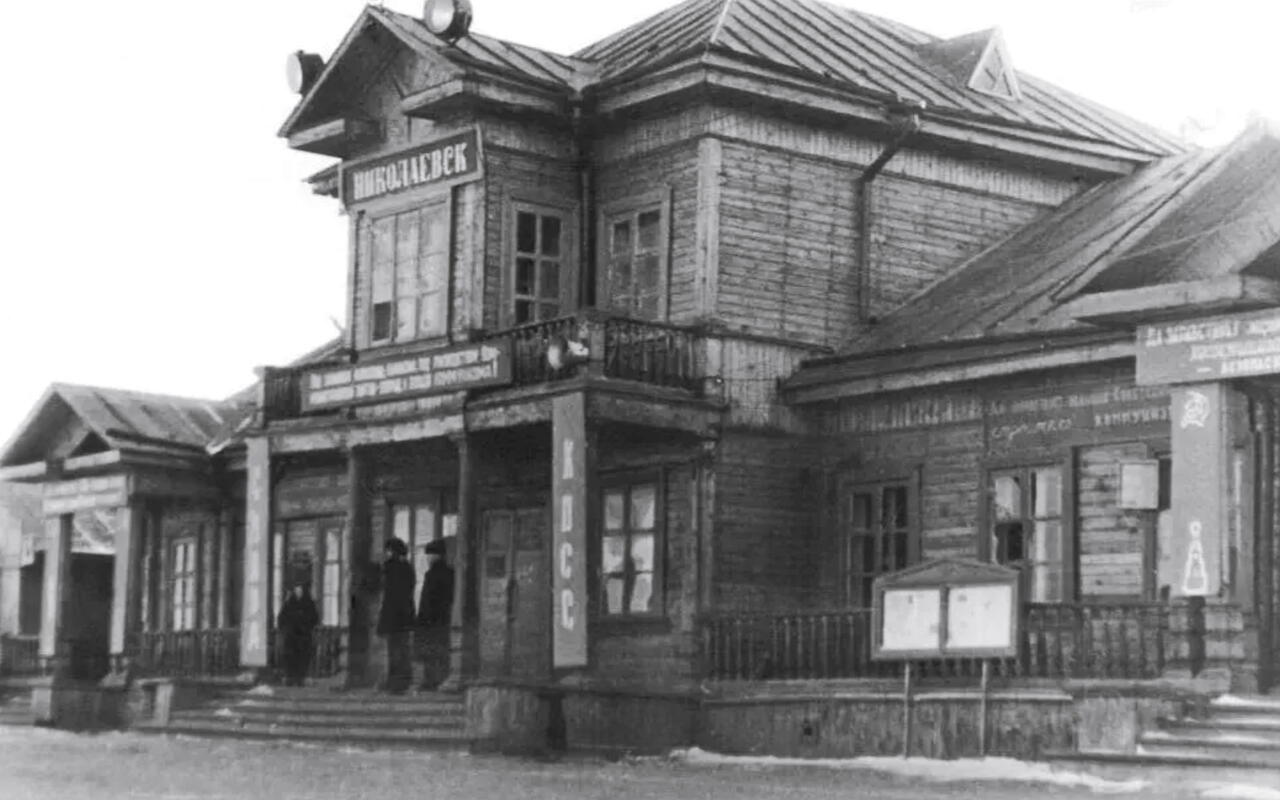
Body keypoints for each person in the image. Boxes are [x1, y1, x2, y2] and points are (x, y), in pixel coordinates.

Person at [376, 537, 416, 693]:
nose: (386, 553)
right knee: (403, 650)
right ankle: (402, 683)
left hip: (392, 616)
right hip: (405, 616)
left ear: (391, 551)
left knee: (394, 651)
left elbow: (387, 595)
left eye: (388, 550)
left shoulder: (389, 568)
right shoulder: (408, 568)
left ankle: (394, 684)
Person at [416, 539, 455, 690]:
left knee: (430, 651)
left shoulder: (431, 575)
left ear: (436, 555)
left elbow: (426, 600)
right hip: (444, 618)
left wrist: (421, 619)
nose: (427, 558)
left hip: (430, 620)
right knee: (441, 650)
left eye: (429, 555)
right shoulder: (451, 573)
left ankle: (431, 681)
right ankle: (440, 679)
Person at [276, 583, 319, 687]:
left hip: (304, 636)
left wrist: (306, 624)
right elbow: (281, 618)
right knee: (290, 657)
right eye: (296, 590)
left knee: (303, 657)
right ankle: (290, 677)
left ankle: (301, 678)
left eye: (300, 590)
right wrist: (287, 627)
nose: (298, 592)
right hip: (291, 636)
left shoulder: (309, 603)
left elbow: (314, 618)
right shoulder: (289, 603)